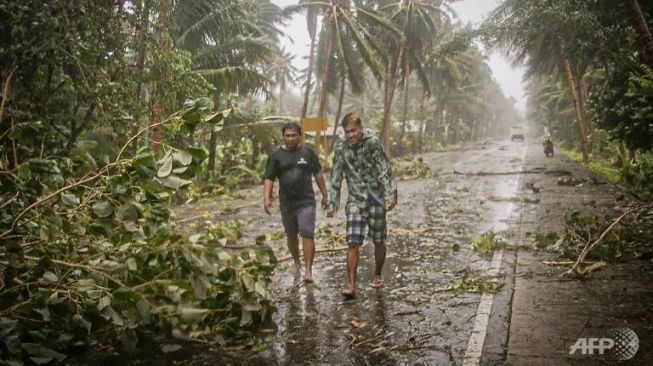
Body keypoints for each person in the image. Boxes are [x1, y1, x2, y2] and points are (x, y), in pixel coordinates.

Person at [326, 112, 397, 299]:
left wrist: (390, 194)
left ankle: (377, 274)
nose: (351, 135)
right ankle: (351, 284)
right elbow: (336, 175)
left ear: (361, 128)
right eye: (347, 132)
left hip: (376, 198)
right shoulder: (341, 147)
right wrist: (332, 202)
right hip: (356, 200)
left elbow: (384, 169)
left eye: (354, 131)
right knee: (353, 241)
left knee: (378, 240)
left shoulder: (372, 143)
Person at [263, 122, 328, 282]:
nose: (290, 139)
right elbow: (269, 178)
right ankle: (296, 261)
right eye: (287, 136)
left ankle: (308, 270)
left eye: (293, 135)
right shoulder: (275, 156)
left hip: (306, 201)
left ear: (300, 136)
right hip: (287, 202)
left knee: (307, 233)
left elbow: (318, 174)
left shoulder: (308, 152)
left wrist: (325, 194)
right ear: (283, 137)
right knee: (291, 234)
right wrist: (267, 198)